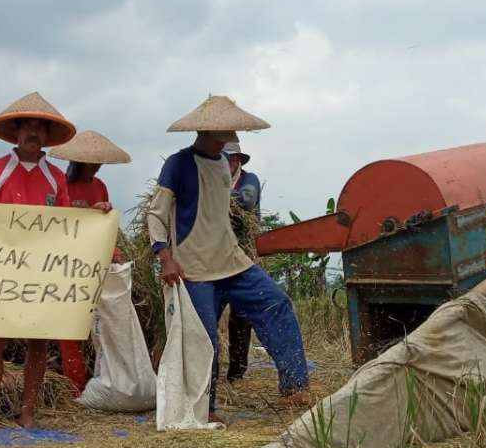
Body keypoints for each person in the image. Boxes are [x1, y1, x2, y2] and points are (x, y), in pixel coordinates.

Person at [0, 92, 111, 434]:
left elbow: (68, 225)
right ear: (17, 132)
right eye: (27, 126)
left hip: (42, 274)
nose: (33, 133)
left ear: (46, 137)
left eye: (40, 128)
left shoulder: (55, 177)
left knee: (39, 341)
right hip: (3, 270)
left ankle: (28, 413)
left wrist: (94, 216)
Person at [146, 95, 313, 422]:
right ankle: (204, 410)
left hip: (232, 261)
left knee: (276, 303)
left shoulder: (224, 163)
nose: (231, 133)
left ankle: (295, 387)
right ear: (207, 130)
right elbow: (156, 213)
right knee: (204, 338)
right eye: (224, 128)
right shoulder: (178, 164)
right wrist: (165, 257)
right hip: (194, 267)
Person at [49, 130, 131, 396]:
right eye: (92, 160)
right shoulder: (60, 184)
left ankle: (107, 378)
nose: (97, 165)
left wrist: (112, 250)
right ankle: (76, 384)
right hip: (65, 262)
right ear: (78, 160)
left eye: (100, 161)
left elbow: (104, 225)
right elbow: (56, 222)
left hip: (95, 262)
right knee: (70, 325)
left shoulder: (100, 186)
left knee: (102, 322)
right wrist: (88, 214)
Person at [223, 141, 261, 382]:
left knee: (241, 317)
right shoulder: (212, 179)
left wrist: (213, 195)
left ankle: (236, 374)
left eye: (226, 159)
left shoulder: (249, 180)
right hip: (213, 256)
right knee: (208, 313)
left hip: (243, 255)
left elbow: (246, 201)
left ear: (237, 160)